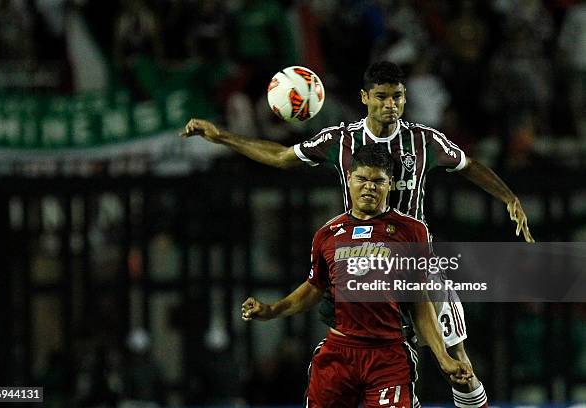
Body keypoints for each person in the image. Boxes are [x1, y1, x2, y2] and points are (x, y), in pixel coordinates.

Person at [183, 61, 534, 408]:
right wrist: (222, 136)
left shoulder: (424, 141)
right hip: (362, 264)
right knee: (358, 352)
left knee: (456, 359)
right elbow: (281, 157)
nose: (390, 105)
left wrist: (509, 197)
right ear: (365, 97)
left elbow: (468, 165)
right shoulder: (341, 140)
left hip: (415, 265)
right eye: (381, 97)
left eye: (397, 97)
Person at [241, 144, 473, 407]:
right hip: (338, 354)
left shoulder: (412, 231)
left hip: (388, 356)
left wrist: (443, 358)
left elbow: (420, 301)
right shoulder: (327, 234)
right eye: (362, 178)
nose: (369, 187)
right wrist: (272, 310)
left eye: (378, 181)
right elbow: (313, 288)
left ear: (390, 184)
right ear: (349, 179)